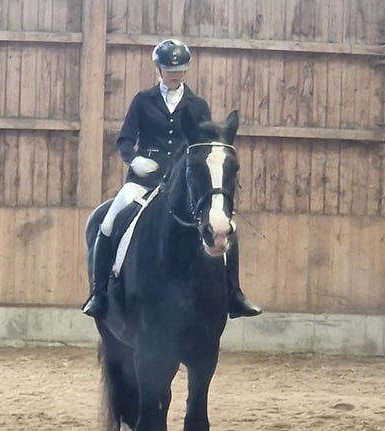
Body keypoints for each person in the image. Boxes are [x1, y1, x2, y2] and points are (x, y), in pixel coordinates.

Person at [82, 39, 262, 321]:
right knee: (108, 221)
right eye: (169, 69)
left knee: (226, 225)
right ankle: (99, 293)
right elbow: (124, 140)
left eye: (179, 69)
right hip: (144, 180)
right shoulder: (143, 101)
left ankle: (234, 295)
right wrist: (134, 160)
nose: (174, 74)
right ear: (159, 69)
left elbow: (205, 143)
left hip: (183, 184)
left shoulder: (197, 104)